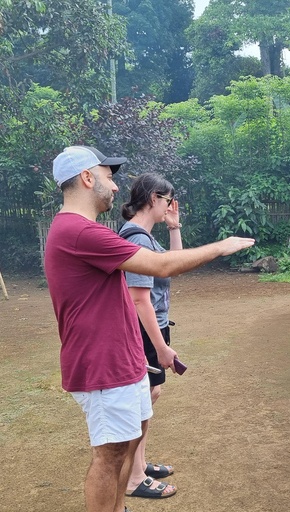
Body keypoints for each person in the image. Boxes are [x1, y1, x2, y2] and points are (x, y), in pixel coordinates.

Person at [44, 145, 254, 512]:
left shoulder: (84, 230)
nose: (113, 187)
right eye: (108, 178)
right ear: (87, 178)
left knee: (124, 448)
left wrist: (136, 351)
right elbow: (160, 267)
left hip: (121, 358)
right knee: (109, 455)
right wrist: (221, 247)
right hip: (102, 364)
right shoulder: (78, 231)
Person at [118, 173, 181, 499]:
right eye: (167, 199)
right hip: (145, 329)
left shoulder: (146, 237)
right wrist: (160, 347)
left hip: (154, 325)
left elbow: (172, 265)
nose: (171, 205)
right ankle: (133, 477)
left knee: (149, 397)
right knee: (142, 401)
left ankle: (139, 465)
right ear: (153, 198)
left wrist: (174, 228)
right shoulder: (138, 240)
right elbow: (139, 298)